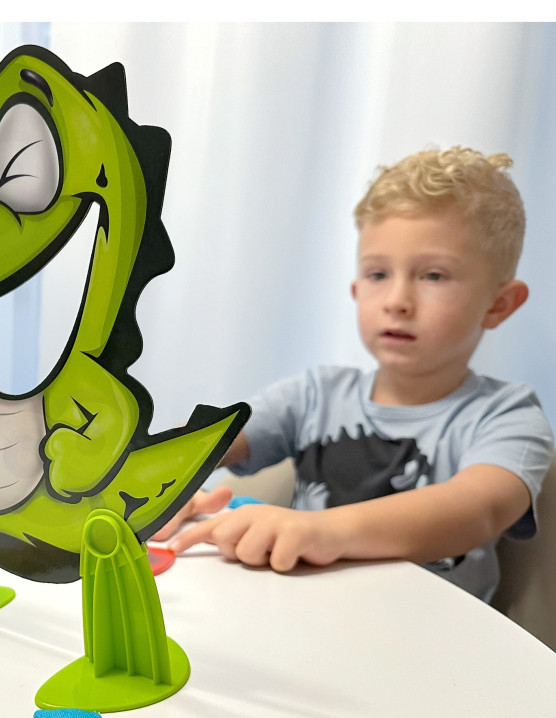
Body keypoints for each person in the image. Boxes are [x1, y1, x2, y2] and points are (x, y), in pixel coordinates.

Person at [157, 147, 554, 602]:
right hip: (299, 613)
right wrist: (163, 481)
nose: (397, 301)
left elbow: (478, 510)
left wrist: (320, 530)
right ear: (356, 290)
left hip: (425, 634)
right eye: (378, 274)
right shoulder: (314, 395)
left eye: (434, 276)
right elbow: (203, 443)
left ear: (499, 304)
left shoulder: (507, 416)